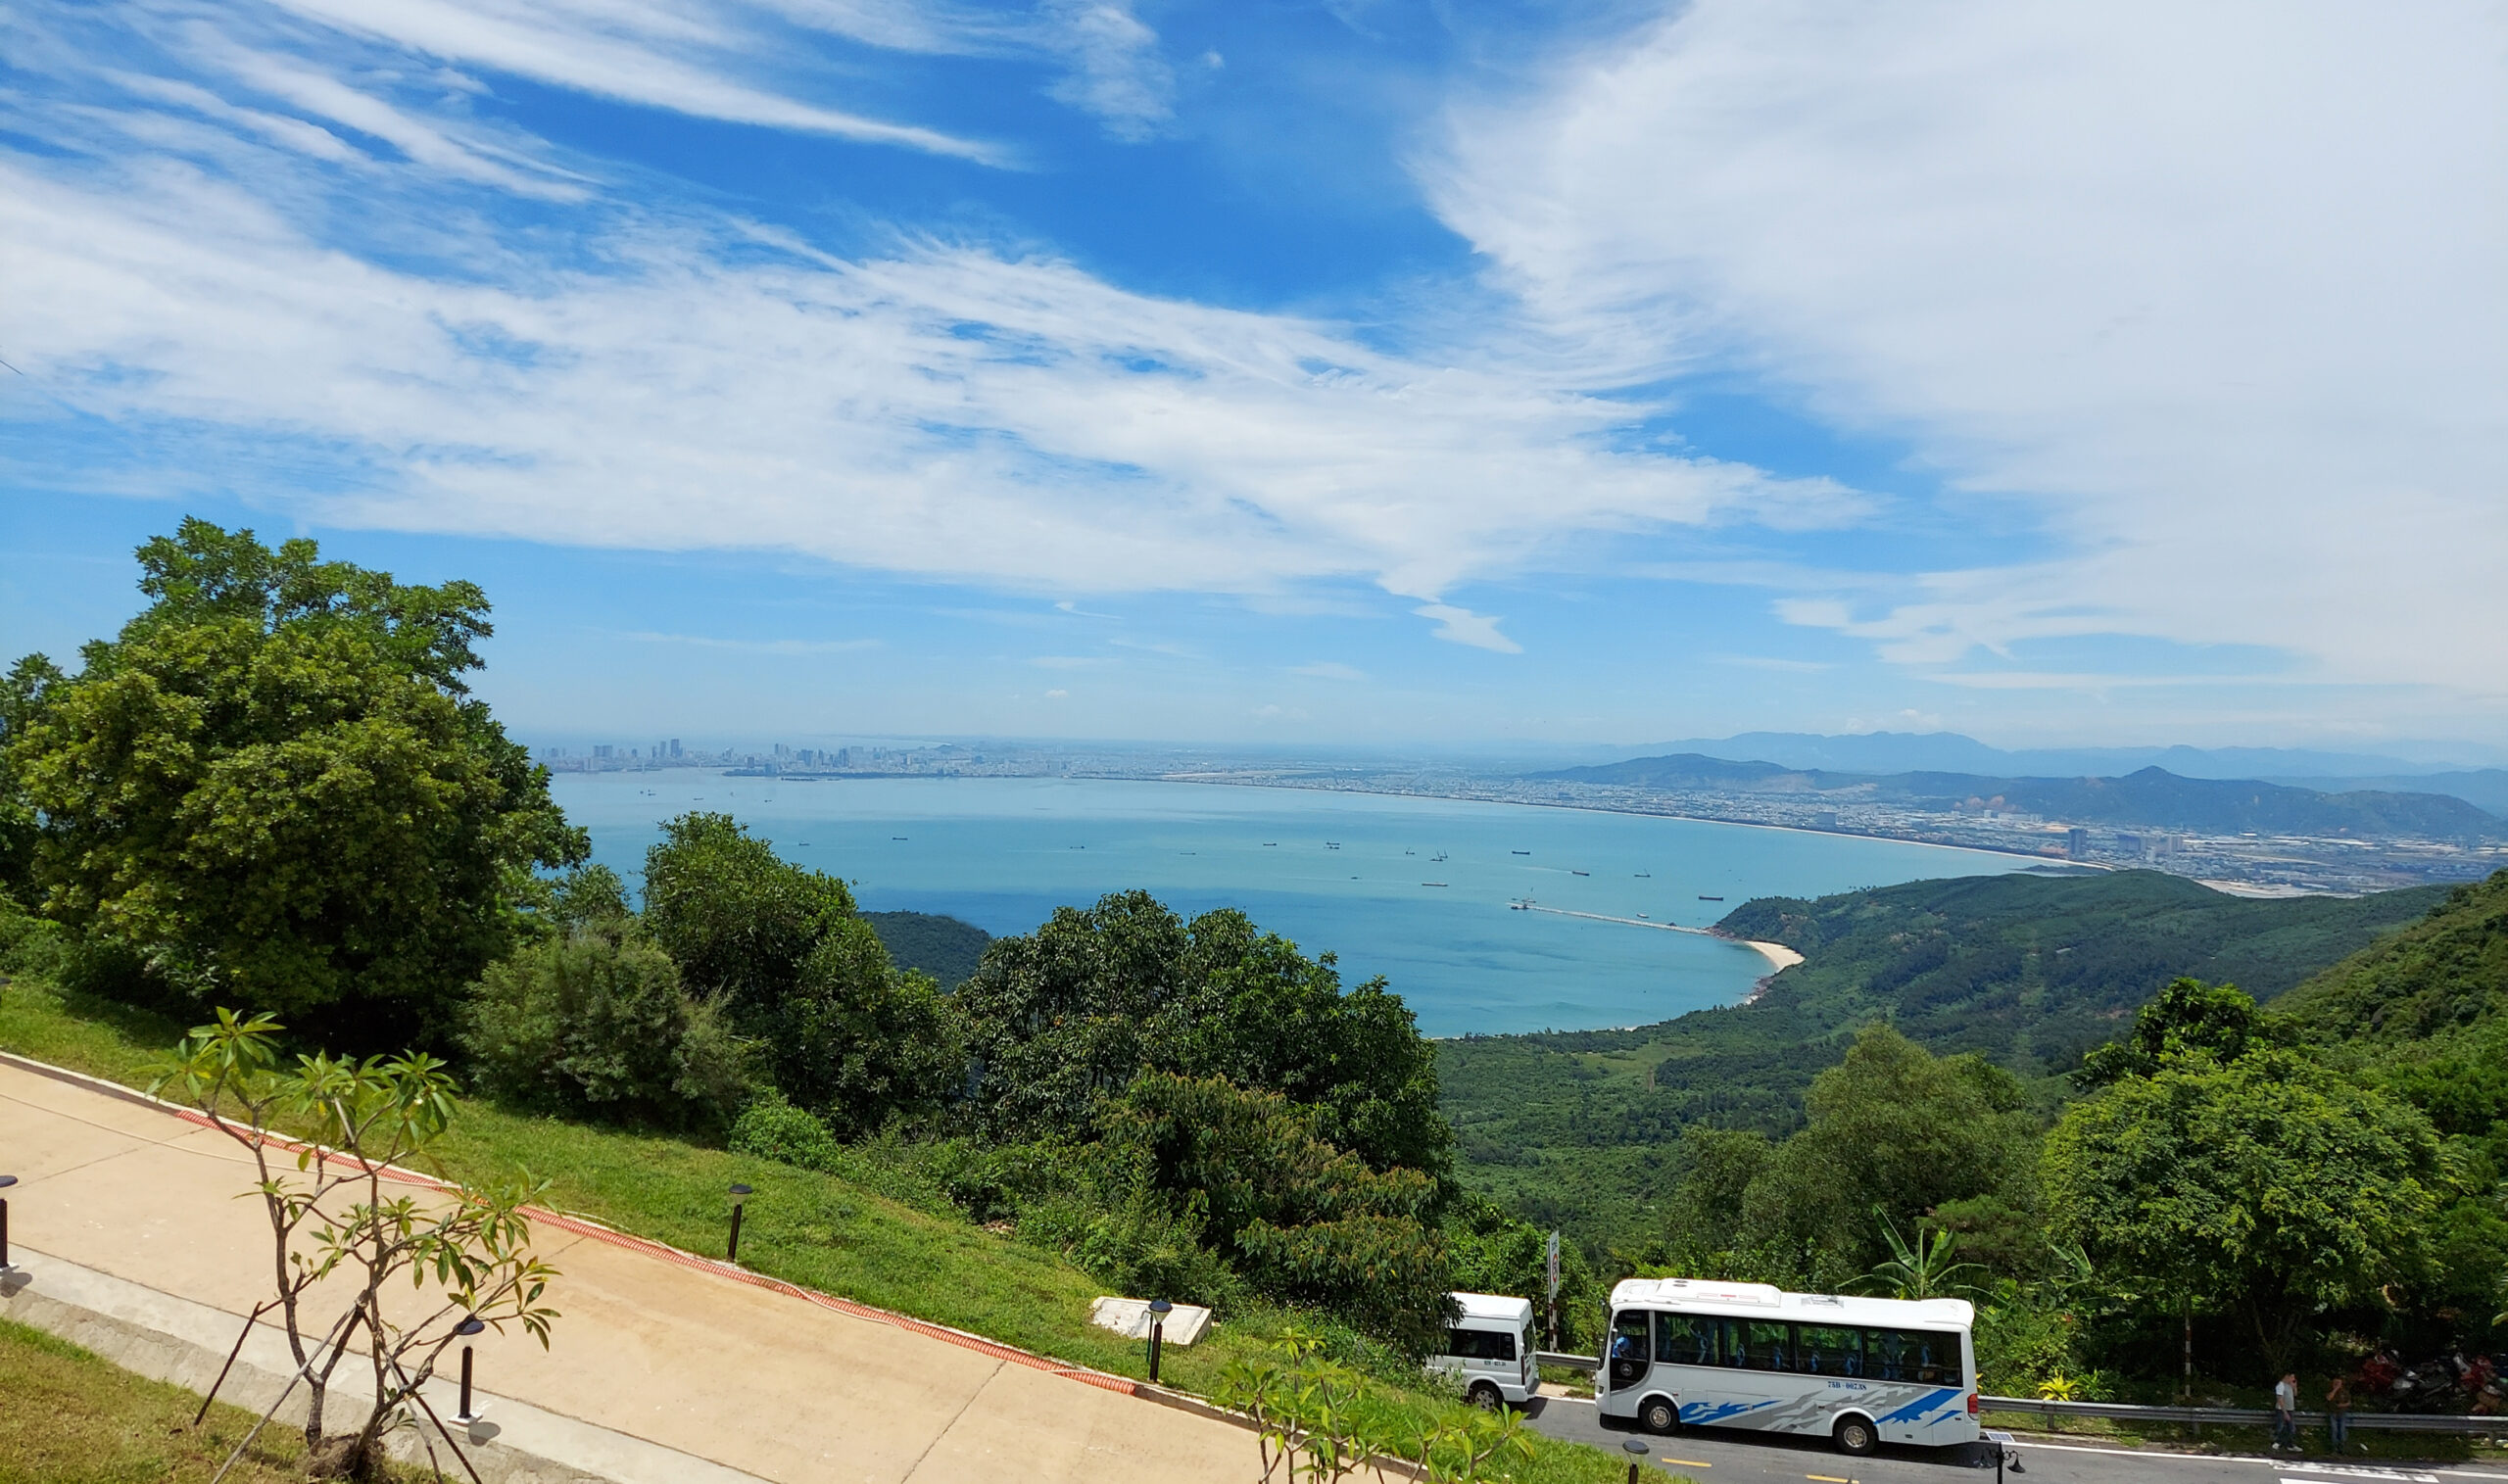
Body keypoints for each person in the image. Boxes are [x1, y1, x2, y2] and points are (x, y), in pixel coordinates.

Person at [2274, 1372, 2300, 1451]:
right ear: (2287, 1377)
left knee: (2291, 1428)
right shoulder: (2281, 1385)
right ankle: (2277, 1442)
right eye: (2292, 1377)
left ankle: (2290, 1444)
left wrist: (2295, 1387)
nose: (2293, 1379)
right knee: (2281, 1426)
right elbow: (2280, 1399)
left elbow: (2295, 1395)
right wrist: (2285, 1412)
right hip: (2282, 1409)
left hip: (2290, 1409)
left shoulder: (2289, 1385)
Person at [2326, 1374, 2352, 1452]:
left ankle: (2342, 1447)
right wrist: (2335, 1389)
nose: (2337, 1384)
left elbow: (2349, 1402)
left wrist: (2342, 1405)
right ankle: (2334, 1447)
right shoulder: (2330, 1391)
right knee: (2334, 1430)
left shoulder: (2344, 1392)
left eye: (2338, 1383)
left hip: (2342, 1413)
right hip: (2333, 1413)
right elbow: (2328, 1398)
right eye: (2335, 1383)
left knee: (2342, 1430)